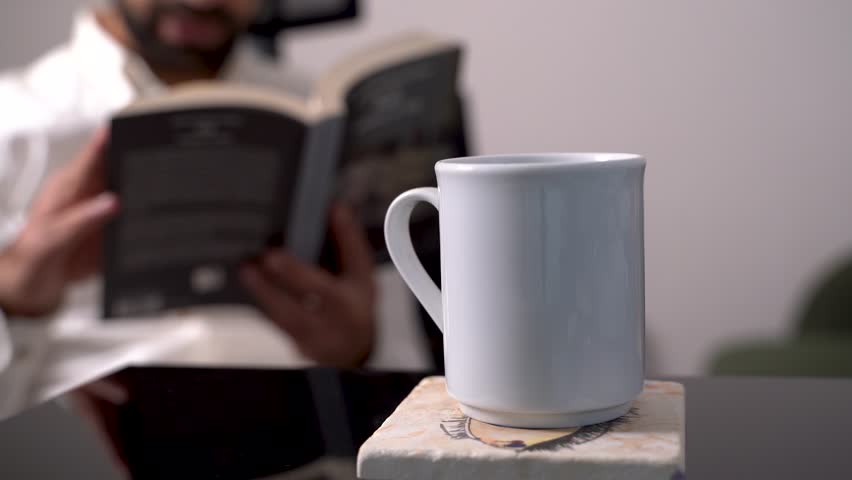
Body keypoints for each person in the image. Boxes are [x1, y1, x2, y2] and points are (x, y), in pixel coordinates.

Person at [0, 0, 421, 411]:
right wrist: (16, 296)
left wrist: (359, 350)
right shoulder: (16, 121)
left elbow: (408, 362)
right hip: (82, 433)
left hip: (299, 426)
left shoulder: (317, 116)